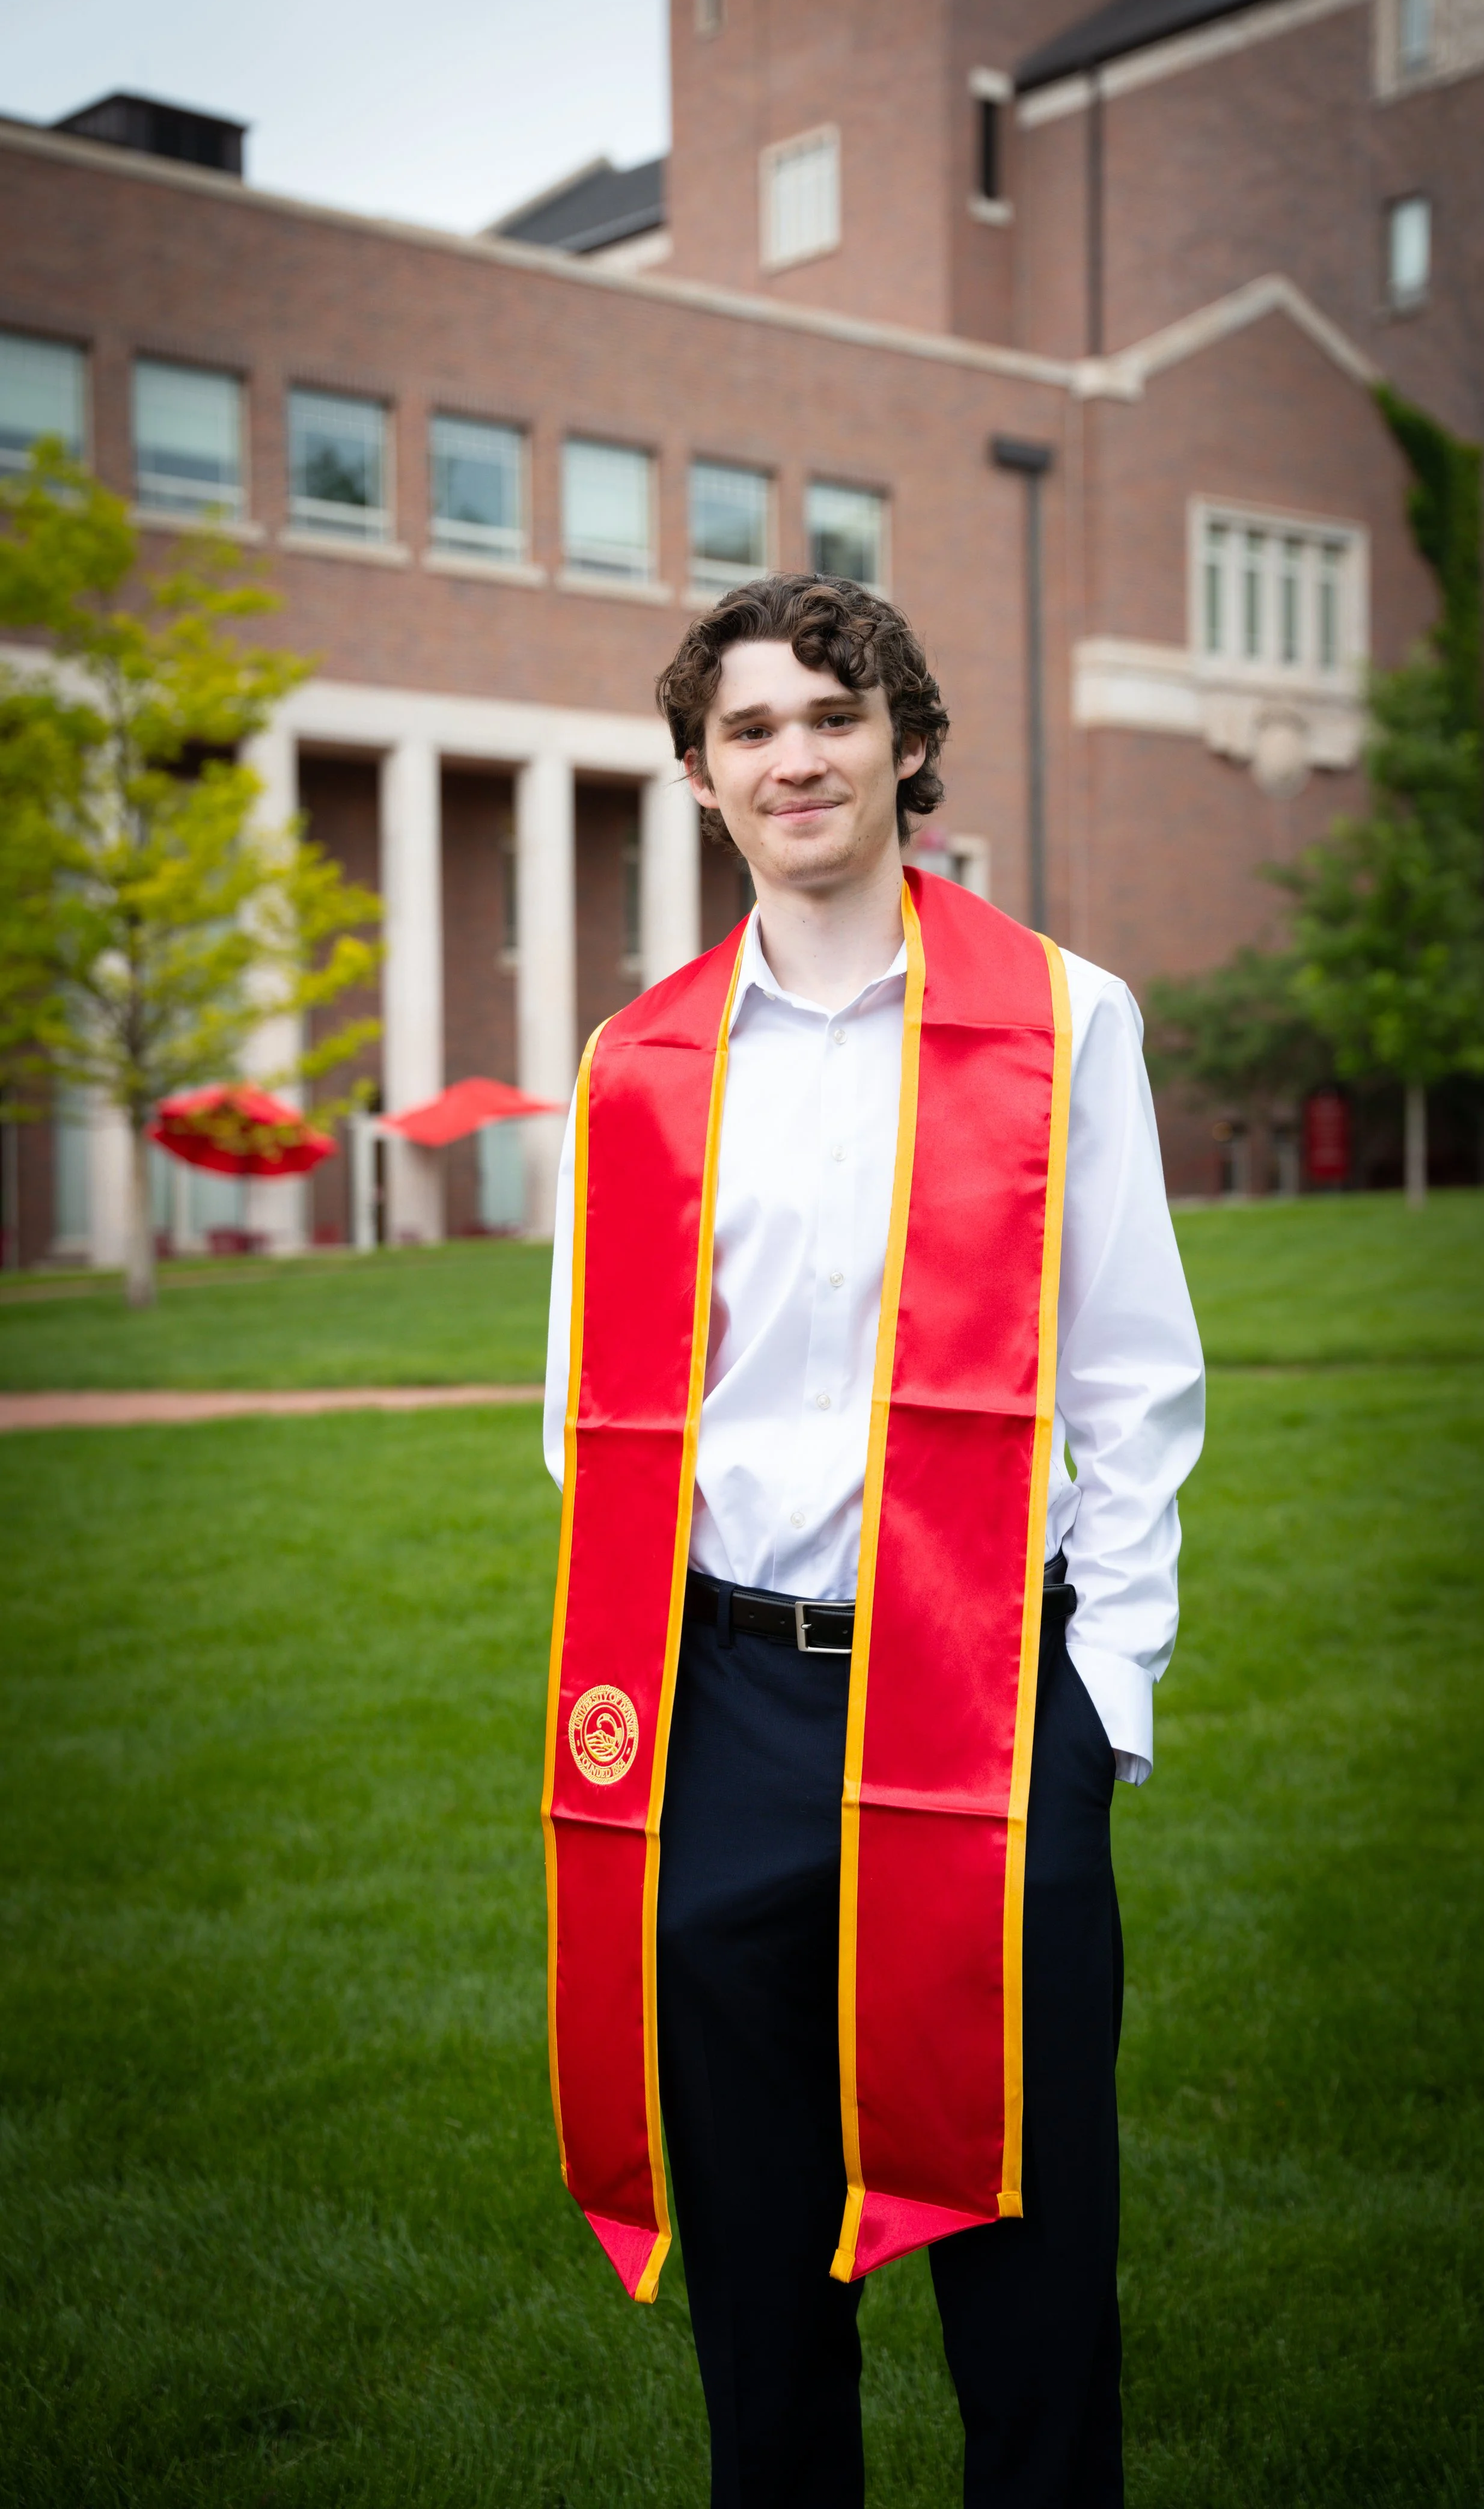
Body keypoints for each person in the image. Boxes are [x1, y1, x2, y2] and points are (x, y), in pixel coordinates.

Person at [541, 573, 1205, 2507]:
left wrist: (1100, 1701)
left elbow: (1133, 1387)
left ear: (905, 742)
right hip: (723, 1708)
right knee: (753, 2269)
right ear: (696, 777)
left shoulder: (1065, 1020)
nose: (792, 757)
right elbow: (592, 1410)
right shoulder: (635, 1064)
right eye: (747, 730)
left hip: (990, 1699)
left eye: (829, 715)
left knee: (1021, 2242)